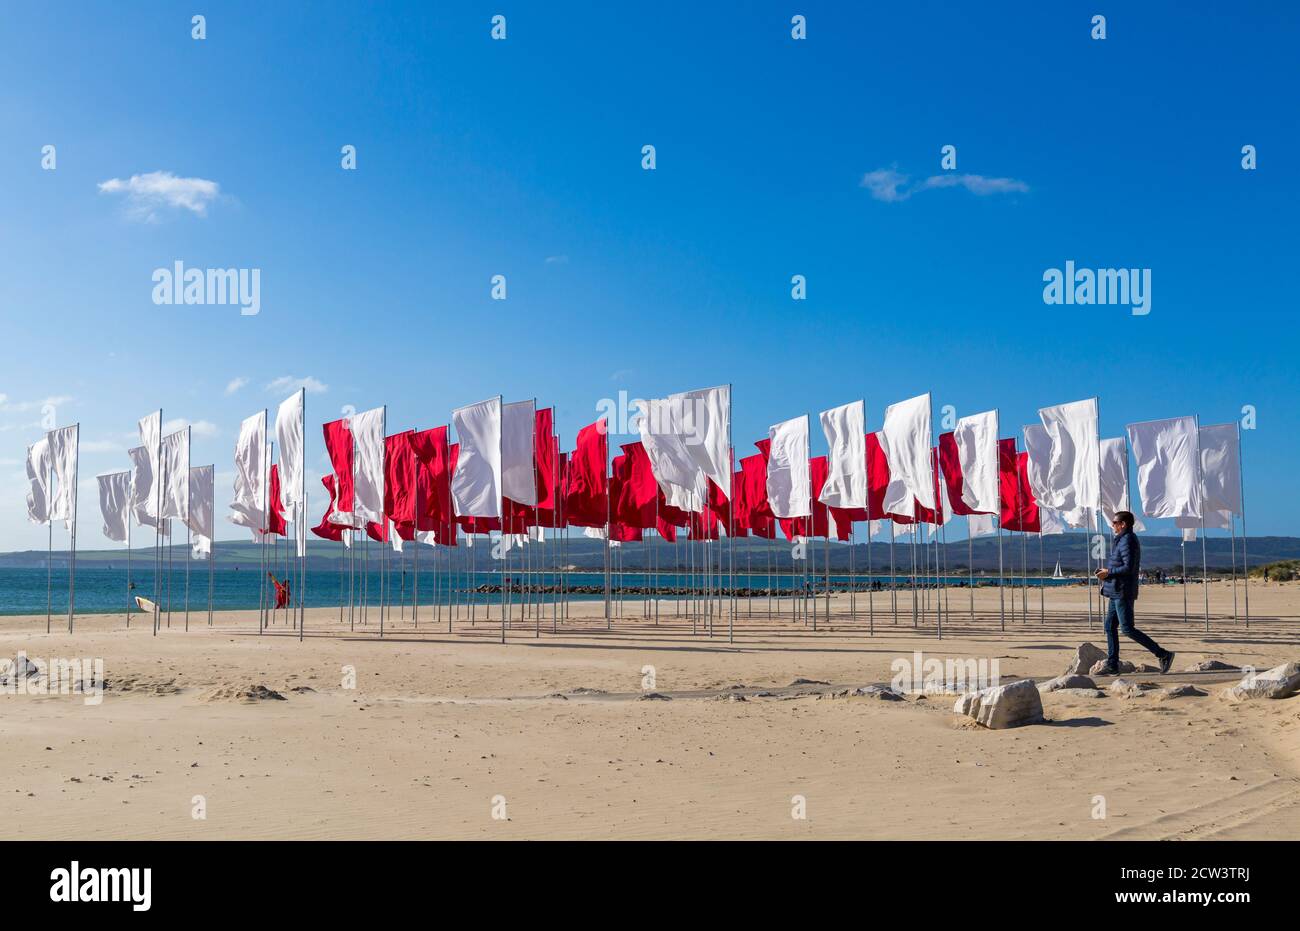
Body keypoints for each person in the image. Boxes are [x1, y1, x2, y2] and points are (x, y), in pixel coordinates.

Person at [1094, 511, 1174, 675]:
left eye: (1115, 522)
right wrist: (1106, 572)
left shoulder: (1128, 540)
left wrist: (1108, 572)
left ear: (1123, 524)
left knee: (1127, 628)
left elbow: (1129, 568)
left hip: (1122, 590)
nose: (1112, 525)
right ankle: (1112, 664)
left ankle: (1163, 654)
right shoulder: (1122, 539)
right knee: (1109, 626)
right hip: (1115, 590)